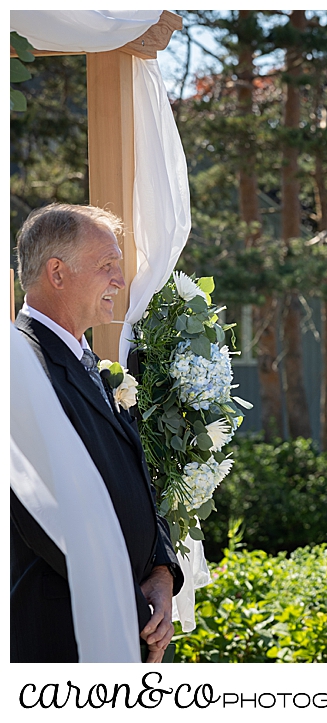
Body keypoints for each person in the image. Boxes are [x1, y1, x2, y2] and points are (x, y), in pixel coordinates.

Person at [12, 204, 183, 662]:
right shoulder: (20, 368)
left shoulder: (88, 360)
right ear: (57, 273)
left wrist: (162, 573)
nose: (120, 281)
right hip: (64, 636)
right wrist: (129, 608)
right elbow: (47, 520)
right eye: (107, 265)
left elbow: (131, 477)